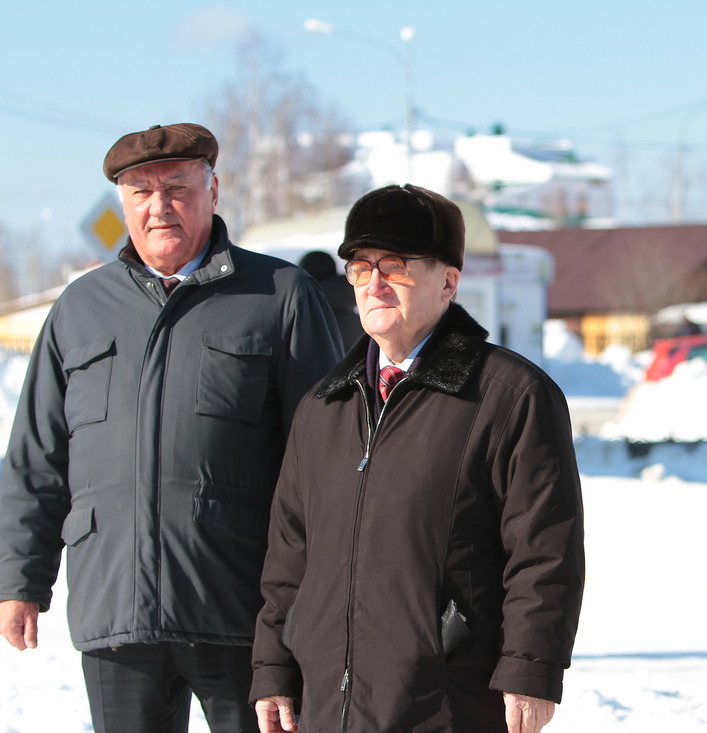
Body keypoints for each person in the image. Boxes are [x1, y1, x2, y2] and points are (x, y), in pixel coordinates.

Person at [0, 123, 343, 733]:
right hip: (116, 610)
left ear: (214, 190)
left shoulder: (279, 295)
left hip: (244, 612)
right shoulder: (80, 308)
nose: (159, 207)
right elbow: (37, 457)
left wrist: (320, 594)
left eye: (177, 188)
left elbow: (325, 456)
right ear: (122, 204)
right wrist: (18, 577)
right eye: (140, 192)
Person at [249, 184, 585, 733]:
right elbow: (289, 555)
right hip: (327, 705)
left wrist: (532, 665)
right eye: (360, 267)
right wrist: (272, 668)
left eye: (396, 266)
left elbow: (546, 547)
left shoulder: (510, 395)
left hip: (446, 699)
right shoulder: (322, 407)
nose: (374, 284)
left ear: (448, 280)